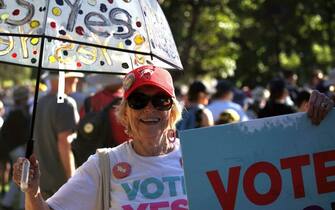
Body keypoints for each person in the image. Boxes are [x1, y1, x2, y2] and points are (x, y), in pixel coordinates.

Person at [11, 66, 334, 210]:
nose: (149, 109)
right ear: (125, 113)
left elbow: (283, 170)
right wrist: (34, 192)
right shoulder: (104, 164)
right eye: (138, 101)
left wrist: (315, 123)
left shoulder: (209, 154)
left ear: (173, 110)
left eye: (160, 100)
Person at [32, 71, 83, 199]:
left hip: (42, 178)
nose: (76, 80)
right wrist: (72, 180)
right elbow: (64, 143)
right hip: (59, 180)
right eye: (74, 77)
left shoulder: (40, 102)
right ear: (65, 78)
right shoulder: (65, 103)